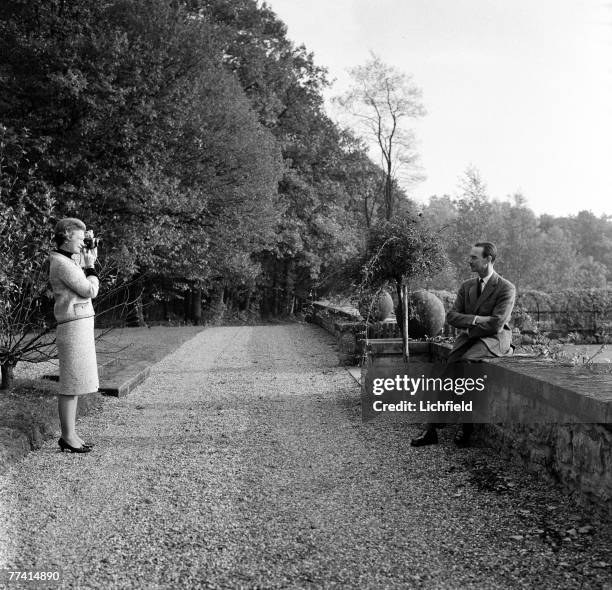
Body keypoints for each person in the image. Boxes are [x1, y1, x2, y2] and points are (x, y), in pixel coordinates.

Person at [411, 241, 516, 447]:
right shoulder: (467, 286)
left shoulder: (506, 288)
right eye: (470, 257)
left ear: (488, 260)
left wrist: (469, 323)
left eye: (474, 257)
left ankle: (466, 426)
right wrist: (477, 320)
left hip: (494, 339)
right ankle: (431, 431)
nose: (469, 261)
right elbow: (451, 316)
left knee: (467, 363)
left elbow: (497, 324)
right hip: (470, 337)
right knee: (446, 374)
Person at [49, 218, 99, 453]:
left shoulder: (68, 260)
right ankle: (67, 436)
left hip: (78, 325)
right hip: (73, 327)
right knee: (70, 383)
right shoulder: (62, 263)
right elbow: (89, 290)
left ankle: (72, 434)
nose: (83, 243)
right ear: (67, 235)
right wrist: (92, 269)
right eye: (79, 238)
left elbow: (80, 265)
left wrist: (87, 258)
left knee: (76, 382)